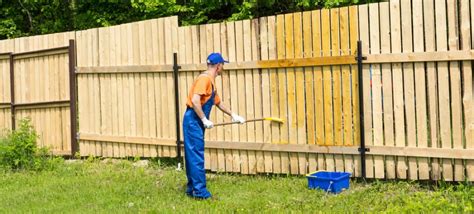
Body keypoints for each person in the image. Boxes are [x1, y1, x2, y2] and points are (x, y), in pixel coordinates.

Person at [182, 52, 245, 199]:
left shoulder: (210, 81)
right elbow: (195, 100)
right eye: (222, 64)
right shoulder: (204, 79)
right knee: (196, 156)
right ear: (218, 66)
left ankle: (192, 189)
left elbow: (218, 102)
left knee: (193, 155)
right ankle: (200, 192)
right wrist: (204, 119)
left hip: (195, 121)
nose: (223, 67)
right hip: (193, 120)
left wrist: (233, 115)